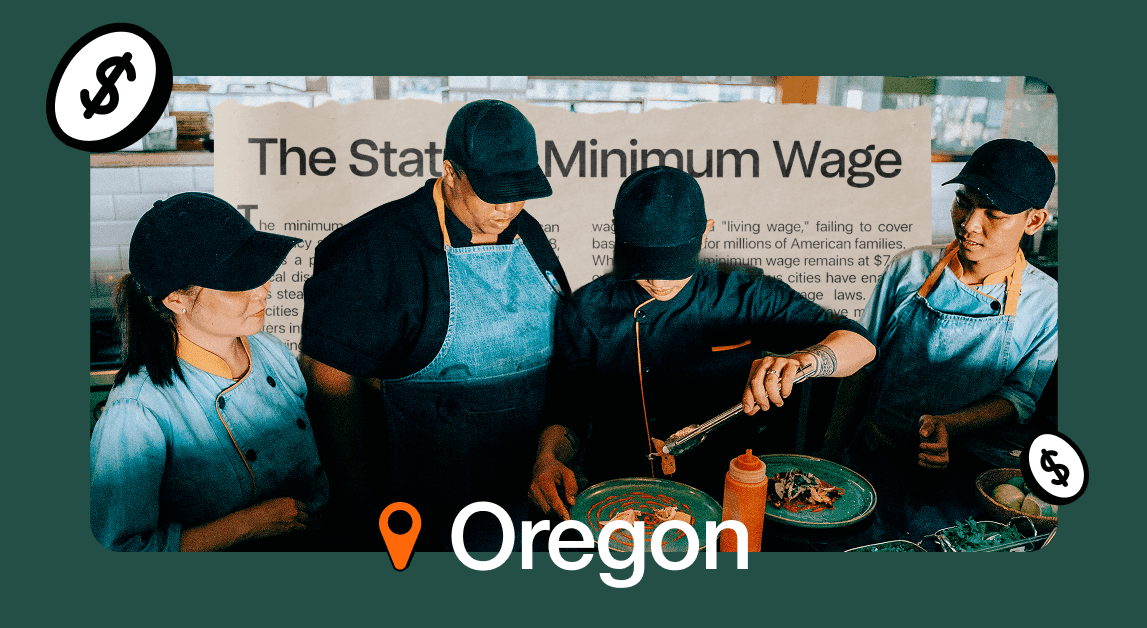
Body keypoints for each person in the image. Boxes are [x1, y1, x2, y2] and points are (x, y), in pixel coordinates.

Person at [529, 166, 877, 518]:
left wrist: (804, 360)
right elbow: (566, 413)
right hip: (621, 497)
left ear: (705, 233)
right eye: (645, 265)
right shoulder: (587, 309)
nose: (660, 283)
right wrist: (547, 458)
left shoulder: (746, 294)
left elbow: (861, 344)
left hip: (729, 492)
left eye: (673, 265)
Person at [299, 100, 569, 550]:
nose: (509, 207)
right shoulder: (375, 252)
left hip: (530, 488)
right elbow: (329, 383)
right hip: (426, 505)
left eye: (519, 190)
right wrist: (363, 511)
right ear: (449, 172)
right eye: (493, 192)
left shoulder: (527, 233)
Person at [822, 138, 1057, 537]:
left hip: (965, 480)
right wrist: (833, 447)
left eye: (993, 214)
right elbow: (862, 362)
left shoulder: (1048, 302)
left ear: (1033, 221)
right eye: (963, 202)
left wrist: (952, 424)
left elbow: (1019, 398)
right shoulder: (909, 269)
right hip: (873, 455)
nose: (969, 223)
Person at [90, 192, 328, 551]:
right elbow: (118, 553)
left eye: (259, 274)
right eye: (237, 283)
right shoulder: (137, 412)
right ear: (177, 300)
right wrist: (248, 525)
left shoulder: (271, 351)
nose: (263, 291)